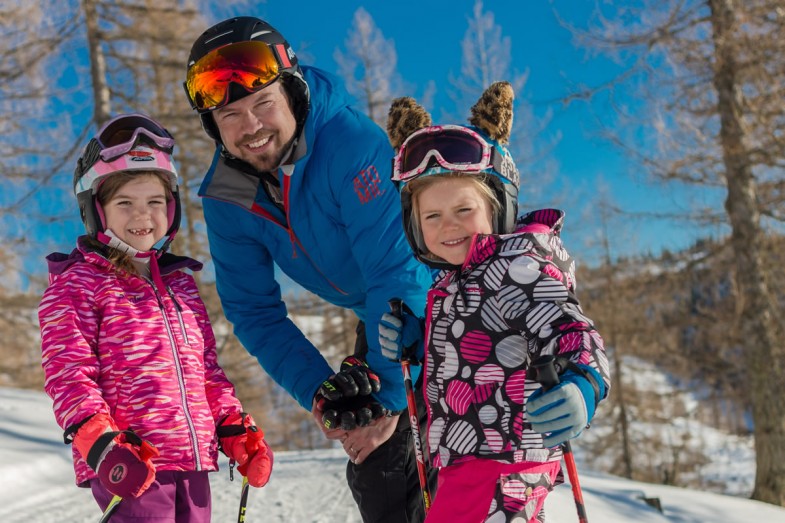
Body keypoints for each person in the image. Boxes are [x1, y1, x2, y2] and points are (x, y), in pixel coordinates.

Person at [183, 16, 437, 522]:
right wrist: (323, 395)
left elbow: (397, 271)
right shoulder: (227, 197)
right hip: (379, 312)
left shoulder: (350, 144)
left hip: (438, 295)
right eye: (230, 114)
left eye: (263, 104)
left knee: (452, 451)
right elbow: (254, 312)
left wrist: (385, 399)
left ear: (293, 91)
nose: (251, 127)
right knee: (377, 465)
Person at [378, 82, 611, 522]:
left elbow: (572, 329)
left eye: (464, 211)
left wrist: (584, 382)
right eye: (432, 216)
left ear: (497, 209)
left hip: (507, 462)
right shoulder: (451, 283)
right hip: (465, 460)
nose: (449, 226)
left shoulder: (519, 268)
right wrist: (419, 342)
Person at [39, 113, 273, 522]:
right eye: (124, 203)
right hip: (133, 465)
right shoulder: (77, 284)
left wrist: (234, 427)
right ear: (96, 210)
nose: (142, 216)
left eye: (154, 202)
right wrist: (102, 443)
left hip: (193, 462)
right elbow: (69, 375)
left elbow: (207, 375)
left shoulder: (181, 286)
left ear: (172, 208)